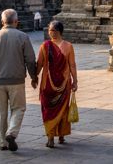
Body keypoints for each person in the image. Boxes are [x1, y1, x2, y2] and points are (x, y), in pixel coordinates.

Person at [0, 8, 38, 152]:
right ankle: (11, 132)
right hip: (17, 80)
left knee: (0, 112)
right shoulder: (23, 36)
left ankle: (2, 142)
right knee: (19, 108)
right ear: (16, 21)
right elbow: (31, 60)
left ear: (2, 21)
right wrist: (34, 77)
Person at [36, 20, 78, 148]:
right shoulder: (45, 46)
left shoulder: (68, 46)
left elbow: (72, 65)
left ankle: (61, 134)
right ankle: (50, 137)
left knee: (63, 110)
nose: (50, 33)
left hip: (64, 83)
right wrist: (34, 77)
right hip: (47, 84)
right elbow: (40, 64)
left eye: (53, 30)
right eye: (49, 30)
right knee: (48, 110)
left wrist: (75, 80)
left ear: (59, 31)